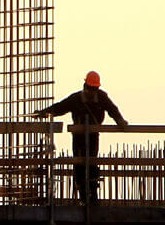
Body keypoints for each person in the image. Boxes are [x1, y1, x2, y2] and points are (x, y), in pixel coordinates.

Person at [33, 71, 128, 204]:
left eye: (94, 89)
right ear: (85, 86)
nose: (92, 92)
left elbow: (113, 110)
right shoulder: (76, 98)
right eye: (91, 89)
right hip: (78, 136)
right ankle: (83, 196)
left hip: (93, 135)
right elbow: (60, 107)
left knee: (92, 163)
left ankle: (93, 196)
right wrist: (45, 112)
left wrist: (120, 121)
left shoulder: (101, 97)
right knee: (79, 165)